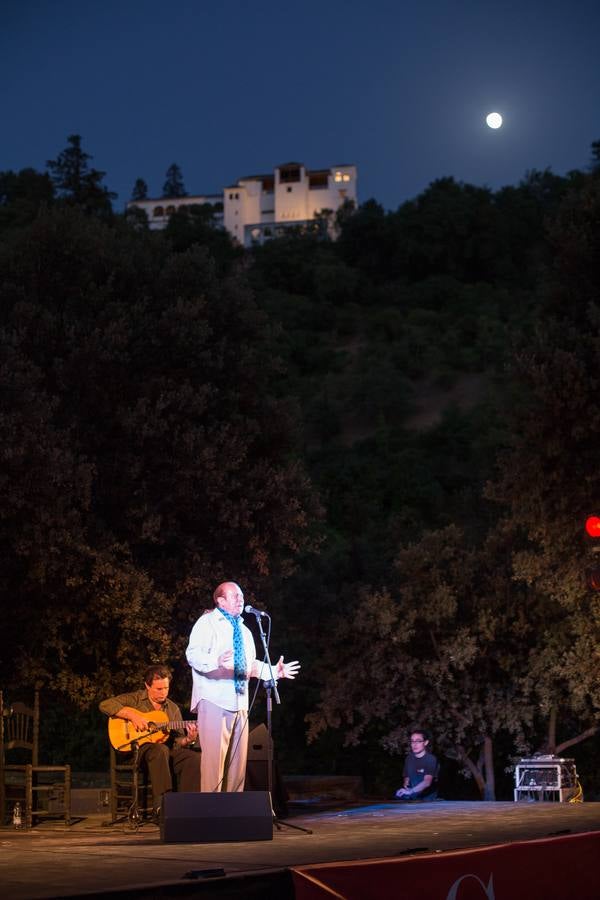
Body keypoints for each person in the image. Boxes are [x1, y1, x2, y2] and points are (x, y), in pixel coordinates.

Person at [186, 581, 300, 793]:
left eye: (241, 596)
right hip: (214, 699)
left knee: (237, 765)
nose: (241, 600)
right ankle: (211, 814)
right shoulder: (207, 622)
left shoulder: (245, 630)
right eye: (234, 596)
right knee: (214, 765)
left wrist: (275, 671)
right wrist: (216, 661)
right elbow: (193, 655)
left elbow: (251, 665)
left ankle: (233, 813)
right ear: (220, 600)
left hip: (240, 701)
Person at [99, 664, 200, 816]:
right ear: (147, 685)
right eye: (159, 689)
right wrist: (132, 716)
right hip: (136, 752)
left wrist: (188, 739)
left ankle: (188, 805)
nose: (163, 693)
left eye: (166, 688)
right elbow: (105, 705)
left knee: (193, 758)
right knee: (160, 749)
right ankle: (162, 805)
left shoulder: (172, 709)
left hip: (163, 755)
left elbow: (177, 741)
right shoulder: (135, 699)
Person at [395, 728, 439, 801]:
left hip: (429, 802)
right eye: (412, 741)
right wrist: (405, 788)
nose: (414, 744)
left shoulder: (430, 759)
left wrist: (410, 791)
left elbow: (427, 782)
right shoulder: (409, 758)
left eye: (418, 741)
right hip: (413, 799)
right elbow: (407, 778)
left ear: (425, 742)